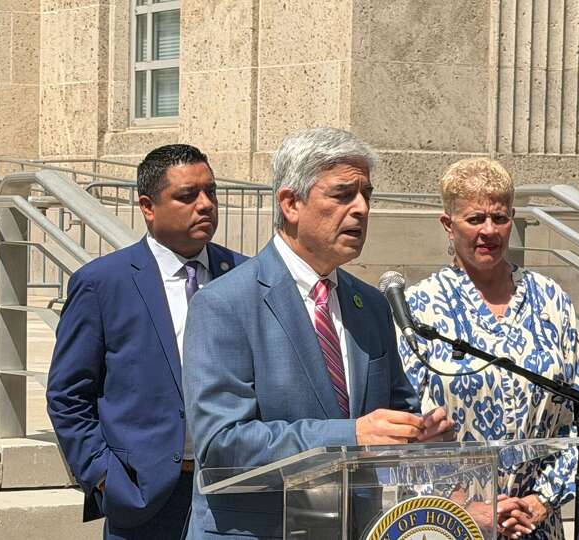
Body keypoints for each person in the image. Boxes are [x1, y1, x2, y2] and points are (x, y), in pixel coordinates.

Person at [182, 127, 453, 538]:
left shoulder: (372, 306)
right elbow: (222, 443)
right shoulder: (225, 303)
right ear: (291, 203)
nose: (361, 209)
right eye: (343, 195)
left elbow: (395, 409)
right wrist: (352, 435)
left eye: (367, 195)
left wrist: (417, 435)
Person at [46, 144, 247, 539]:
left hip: (231, 492)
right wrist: (104, 476)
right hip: (144, 496)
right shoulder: (104, 283)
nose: (205, 205)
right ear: (148, 206)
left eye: (211, 192)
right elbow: (68, 394)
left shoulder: (244, 275)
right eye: (188, 196)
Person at [398, 157, 579, 540]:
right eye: (475, 218)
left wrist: (541, 500)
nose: (489, 231)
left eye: (499, 218)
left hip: (535, 523)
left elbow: (575, 419)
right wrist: (466, 506)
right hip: (449, 521)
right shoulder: (419, 307)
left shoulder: (551, 300)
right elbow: (407, 426)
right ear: (448, 225)